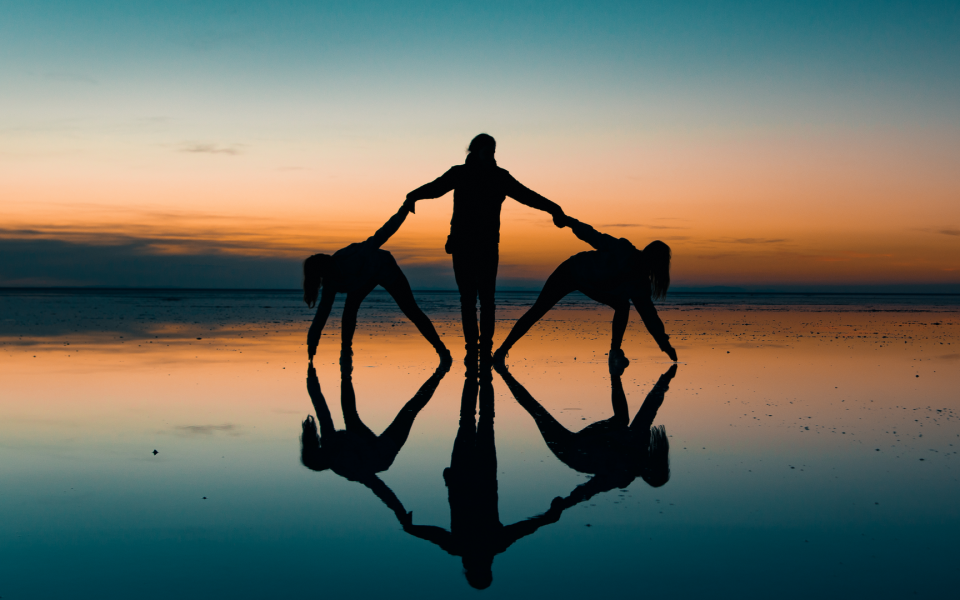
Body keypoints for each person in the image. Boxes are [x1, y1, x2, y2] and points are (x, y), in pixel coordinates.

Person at [403, 133, 566, 367]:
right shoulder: (459, 173)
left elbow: (527, 195)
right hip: (462, 245)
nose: (491, 156)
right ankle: (472, 351)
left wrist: (554, 208)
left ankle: (486, 350)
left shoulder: (500, 177)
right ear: (474, 151)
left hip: (488, 246)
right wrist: (413, 195)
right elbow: (436, 188)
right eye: (487, 151)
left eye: (493, 151)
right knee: (468, 300)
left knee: (488, 301)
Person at [401, 368, 565, 590]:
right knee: (471, 421)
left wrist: (549, 517)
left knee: (480, 421)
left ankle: (481, 372)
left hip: (475, 476)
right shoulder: (471, 546)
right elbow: (525, 528)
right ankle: (477, 372)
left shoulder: (484, 545)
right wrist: (548, 517)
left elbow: (524, 528)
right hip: (470, 476)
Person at [494, 216, 678, 366]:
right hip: (571, 270)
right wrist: (570, 222)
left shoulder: (640, 284)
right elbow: (595, 237)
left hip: (589, 284)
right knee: (538, 310)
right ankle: (502, 351)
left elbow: (648, 315)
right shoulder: (624, 250)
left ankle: (615, 353)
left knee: (622, 305)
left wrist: (665, 344)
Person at [497, 361, 677, 508]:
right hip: (588, 441)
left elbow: (591, 489)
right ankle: (615, 370)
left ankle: (503, 372)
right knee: (621, 420)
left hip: (570, 451)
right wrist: (665, 380)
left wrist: (566, 503)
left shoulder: (622, 475)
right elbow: (649, 410)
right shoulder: (638, 444)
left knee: (536, 411)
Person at [299, 360, 448, 522]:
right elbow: (378, 487)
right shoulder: (347, 466)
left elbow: (321, 409)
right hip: (380, 455)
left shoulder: (328, 441)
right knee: (409, 411)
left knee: (349, 413)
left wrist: (311, 376)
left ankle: (345, 363)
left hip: (360, 442)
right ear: (323, 461)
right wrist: (399, 512)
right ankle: (440, 373)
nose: (322, 449)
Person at [303, 205, 450, 364]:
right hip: (362, 280)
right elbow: (322, 313)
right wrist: (312, 343)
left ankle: (441, 350)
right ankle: (346, 351)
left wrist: (404, 210)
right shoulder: (330, 283)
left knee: (411, 309)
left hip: (385, 269)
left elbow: (385, 232)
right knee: (350, 308)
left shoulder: (356, 255)